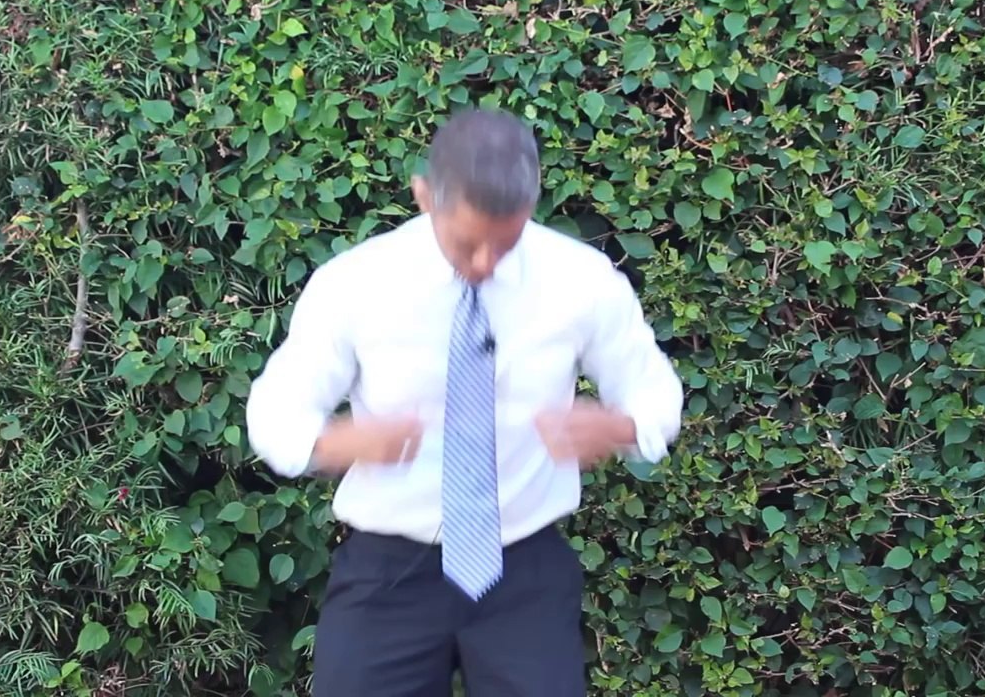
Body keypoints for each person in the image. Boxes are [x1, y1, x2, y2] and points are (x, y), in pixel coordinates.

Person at [245, 107, 684, 697]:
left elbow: (656, 395)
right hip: (387, 574)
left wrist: (618, 426)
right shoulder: (355, 284)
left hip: (524, 573)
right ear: (425, 196)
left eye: (505, 245)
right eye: (467, 242)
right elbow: (275, 415)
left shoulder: (582, 281)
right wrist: (337, 443)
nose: (484, 264)